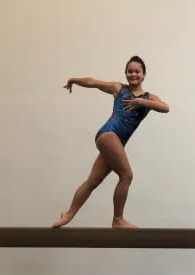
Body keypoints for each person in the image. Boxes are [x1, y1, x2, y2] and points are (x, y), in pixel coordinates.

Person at [52, 56, 169, 229]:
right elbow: (94, 82)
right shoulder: (119, 88)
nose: (133, 74)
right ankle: (118, 219)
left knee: (93, 181)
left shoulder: (149, 97)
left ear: (144, 75)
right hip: (109, 134)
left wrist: (141, 102)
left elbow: (165, 107)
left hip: (114, 141)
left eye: (137, 71)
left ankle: (68, 214)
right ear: (125, 73)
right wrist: (74, 80)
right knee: (127, 175)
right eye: (130, 71)